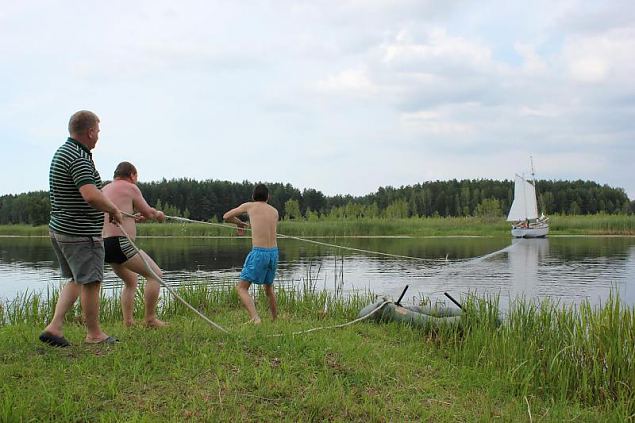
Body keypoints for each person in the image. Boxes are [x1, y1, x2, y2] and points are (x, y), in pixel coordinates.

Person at [40, 110, 124, 347]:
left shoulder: (63, 152)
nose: (98, 135)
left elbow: (86, 190)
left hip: (60, 229)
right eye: (97, 131)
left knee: (76, 279)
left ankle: (54, 327)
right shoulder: (79, 157)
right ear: (89, 132)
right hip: (80, 233)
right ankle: (94, 334)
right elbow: (89, 195)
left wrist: (106, 202)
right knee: (91, 281)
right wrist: (113, 210)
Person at [102, 161, 167, 328]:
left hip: (105, 244)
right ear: (131, 174)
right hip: (120, 242)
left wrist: (133, 216)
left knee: (131, 281)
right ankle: (150, 320)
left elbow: (119, 213)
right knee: (155, 275)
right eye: (136, 176)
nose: (136, 180)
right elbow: (149, 212)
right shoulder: (130, 187)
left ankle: (128, 322)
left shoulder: (105, 189)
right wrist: (158, 214)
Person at [223, 184, 279, 324]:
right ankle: (274, 319)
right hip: (273, 253)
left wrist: (239, 223)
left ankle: (255, 318)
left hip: (259, 253)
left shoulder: (250, 206)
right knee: (268, 289)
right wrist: (241, 224)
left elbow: (226, 216)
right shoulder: (274, 211)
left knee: (241, 288)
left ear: (253, 196)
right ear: (268, 197)